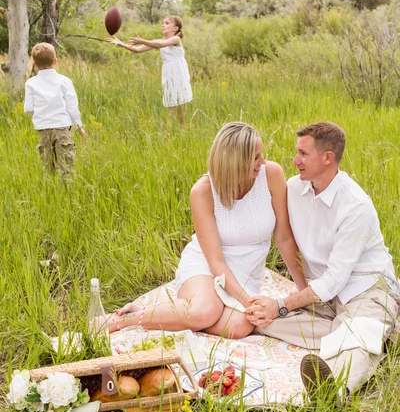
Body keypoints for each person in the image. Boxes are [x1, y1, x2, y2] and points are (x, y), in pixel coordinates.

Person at [107, 122, 307, 338]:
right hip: (207, 265)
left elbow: (284, 237)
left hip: (246, 270)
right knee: (205, 312)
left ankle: (172, 315)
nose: (263, 161)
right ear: (235, 162)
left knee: (239, 327)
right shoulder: (203, 191)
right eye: (255, 157)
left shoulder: (271, 174)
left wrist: (303, 290)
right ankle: (126, 318)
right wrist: (246, 300)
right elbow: (216, 262)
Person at [247, 121, 400, 396]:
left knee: (359, 335)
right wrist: (288, 299)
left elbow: (334, 281)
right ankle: (382, 335)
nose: (295, 161)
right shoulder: (294, 188)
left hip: (364, 289)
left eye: (303, 154)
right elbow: (285, 239)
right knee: (260, 321)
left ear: (327, 158)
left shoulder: (356, 206)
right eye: (297, 153)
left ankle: (333, 388)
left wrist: (282, 304)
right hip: (323, 296)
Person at [107, 15, 192, 125]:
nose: (163, 25)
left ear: (175, 28)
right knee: (170, 106)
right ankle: (169, 133)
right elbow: (137, 50)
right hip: (168, 74)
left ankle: (183, 130)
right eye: (163, 23)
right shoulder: (159, 40)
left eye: (167, 23)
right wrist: (121, 43)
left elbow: (159, 45)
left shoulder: (175, 39)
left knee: (181, 106)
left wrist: (141, 40)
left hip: (178, 74)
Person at [24, 42, 87, 181]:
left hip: (43, 130)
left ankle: (51, 193)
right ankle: (67, 196)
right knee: (66, 166)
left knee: (48, 167)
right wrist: (79, 126)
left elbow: (28, 108)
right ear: (55, 61)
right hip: (62, 129)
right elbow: (72, 106)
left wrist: (41, 113)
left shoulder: (31, 83)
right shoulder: (64, 81)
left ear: (34, 65)